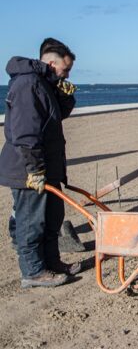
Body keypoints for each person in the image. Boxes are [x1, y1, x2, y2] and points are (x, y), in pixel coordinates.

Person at [0, 38, 82, 288]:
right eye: (64, 70)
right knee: (31, 221)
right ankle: (33, 271)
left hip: (49, 168)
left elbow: (55, 116)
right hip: (30, 170)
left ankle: (52, 262)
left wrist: (66, 97)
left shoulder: (45, 84)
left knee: (52, 218)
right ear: (50, 63)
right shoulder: (27, 84)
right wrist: (35, 170)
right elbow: (25, 133)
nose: (66, 75)